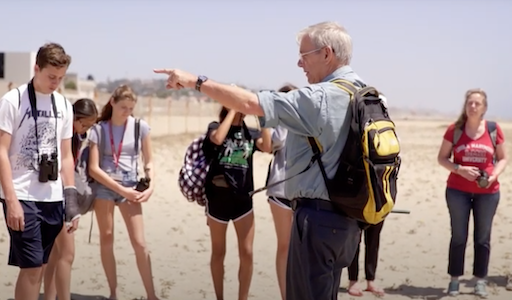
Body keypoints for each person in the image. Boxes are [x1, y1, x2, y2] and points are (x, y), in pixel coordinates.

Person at [155, 20, 363, 300]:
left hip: (317, 220)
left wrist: (195, 81)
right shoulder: (365, 93)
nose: (300, 64)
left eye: (304, 56)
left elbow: (251, 103)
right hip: (349, 219)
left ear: (326, 54)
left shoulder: (320, 98)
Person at [0, 42, 80, 300]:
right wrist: (11, 200)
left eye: (61, 78)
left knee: (43, 265)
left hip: (53, 197)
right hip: (22, 195)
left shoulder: (64, 105)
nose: (56, 82)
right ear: (36, 68)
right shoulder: (13, 100)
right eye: (51, 76)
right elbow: (1, 151)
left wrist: (71, 200)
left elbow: (67, 157)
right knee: (32, 267)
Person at [87, 85, 159, 300]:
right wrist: (120, 190)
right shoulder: (99, 129)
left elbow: (149, 161)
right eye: (122, 107)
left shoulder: (140, 127)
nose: (126, 112)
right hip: (105, 186)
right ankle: (113, 293)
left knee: (139, 242)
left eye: (130, 108)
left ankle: (151, 295)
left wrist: (151, 185)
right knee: (107, 238)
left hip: (131, 184)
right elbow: (93, 168)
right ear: (112, 103)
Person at [437, 88, 507, 298]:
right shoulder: (454, 130)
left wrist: (493, 175)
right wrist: (460, 169)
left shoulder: (494, 129)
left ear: (484, 107)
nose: (473, 106)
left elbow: (503, 158)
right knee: (458, 236)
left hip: (488, 192)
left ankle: (480, 280)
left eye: (477, 103)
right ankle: (454, 280)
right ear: (465, 106)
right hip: (457, 191)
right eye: (470, 103)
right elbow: (442, 158)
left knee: (482, 238)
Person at [203, 106, 271, 300]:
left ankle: (243, 297)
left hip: (243, 201)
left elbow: (267, 147)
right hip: (218, 200)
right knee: (218, 252)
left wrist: (262, 118)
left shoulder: (250, 132)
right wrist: (233, 109)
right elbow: (217, 139)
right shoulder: (215, 127)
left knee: (247, 252)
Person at [43, 98, 98, 300]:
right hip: (57, 197)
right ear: (74, 117)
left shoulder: (76, 137)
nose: (84, 130)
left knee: (55, 255)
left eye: (88, 127)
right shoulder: (63, 135)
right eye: (83, 124)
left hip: (58, 195)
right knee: (67, 254)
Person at [265, 83, 297, 300]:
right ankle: (286, 295)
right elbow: (271, 144)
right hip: (280, 190)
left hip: (303, 191)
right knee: (285, 246)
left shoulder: (306, 122)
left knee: (302, 248)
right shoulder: (278, 124)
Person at [345, 222, 385, 297]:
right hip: (356, 212)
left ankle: (370, 280)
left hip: (377, 213)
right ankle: (353, 280)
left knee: (373, 242)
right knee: (354, 241)